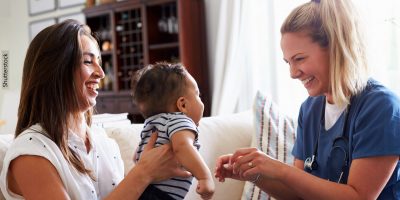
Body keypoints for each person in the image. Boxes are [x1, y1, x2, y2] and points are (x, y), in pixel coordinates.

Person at [215, 0, 400, 199]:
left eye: (300, 59)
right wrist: (255, 175)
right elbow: (298, 195)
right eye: (288, 62)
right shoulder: (310, 110)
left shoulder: (380, 107)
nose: (293, 74)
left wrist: (280, 169)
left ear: (335, 48)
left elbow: (359, 197)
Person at [0, 19, 191, 200]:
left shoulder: (105, 144)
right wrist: (143, 173)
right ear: (54, 71)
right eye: (88, 61)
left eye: (98, 61)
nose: (100, 73)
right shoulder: (30, 152)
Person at [131, 62, 214, 200]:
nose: (201, 102)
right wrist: (205, 177)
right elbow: (182, 146)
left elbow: (136, 157)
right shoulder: (180, 120)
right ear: (182, 105)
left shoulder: (152, 124)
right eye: (198, 95)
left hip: (142, 190)